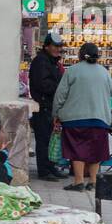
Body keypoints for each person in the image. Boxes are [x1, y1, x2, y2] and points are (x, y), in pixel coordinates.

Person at [53, 41, 112, 193]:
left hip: (74, 119)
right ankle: (93, 181)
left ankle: (79, 181)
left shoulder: (72, 71)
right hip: (100, 118)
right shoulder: (104, 72)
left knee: (76, 149)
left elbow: (60, 95)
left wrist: (56, 114)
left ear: (81, 54)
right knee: (96, 150)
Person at [28, 32, 66, 181]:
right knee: (43, 140)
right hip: (43, 106)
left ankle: (50, 167)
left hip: (50, 106)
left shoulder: (52, 62)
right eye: (54, 46)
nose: (57, 49)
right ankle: (44, 171)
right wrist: (60, 88)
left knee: (51, 139)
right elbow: (43, 84)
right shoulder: (41, 61)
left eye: (59, 46)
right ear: (47, 46)